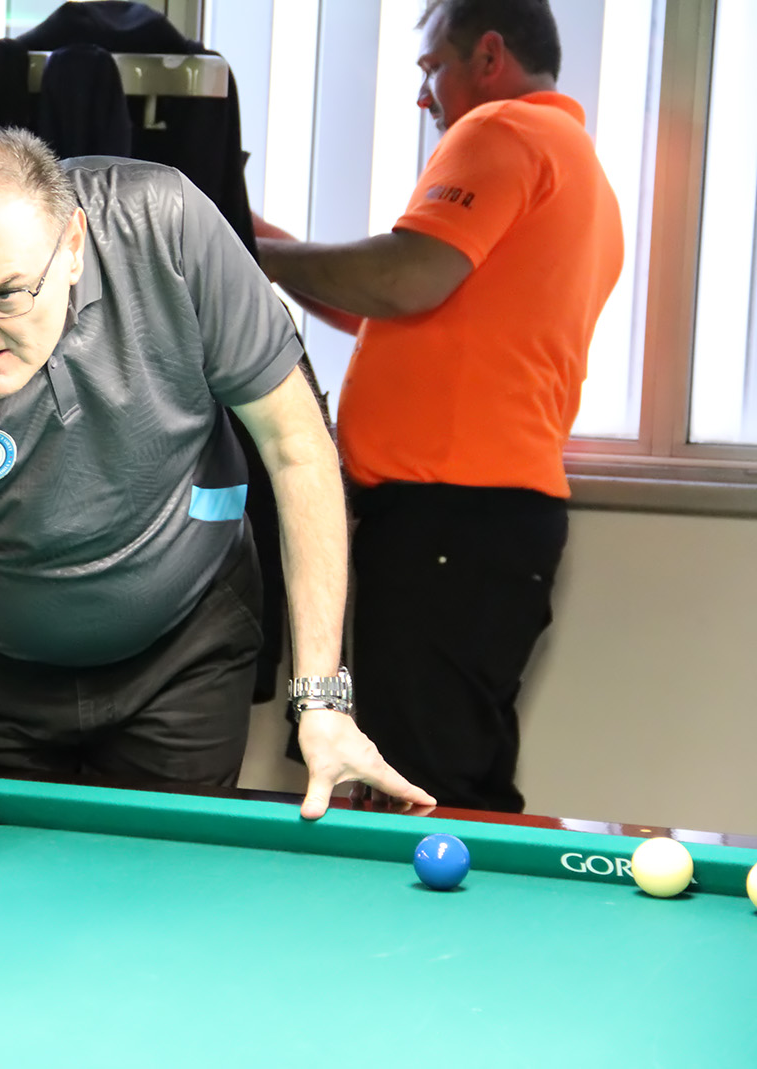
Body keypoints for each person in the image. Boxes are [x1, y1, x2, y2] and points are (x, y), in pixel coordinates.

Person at [0, 127, 432, 935]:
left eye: (4, 295)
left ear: (72, 245)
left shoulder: (167, 228)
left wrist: (322, 698)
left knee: (169, 920)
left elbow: (297, 448)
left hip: (183, 648)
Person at [253, 0, 624, 812]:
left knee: (426, 782)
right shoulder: (576, 164)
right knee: (448, 770)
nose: (424, 96)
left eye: (432, 69)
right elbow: (383, 302)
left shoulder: (505, 130)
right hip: (477, 525)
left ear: (488, 56)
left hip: (453, 523)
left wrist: (259, 253)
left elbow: (402, 277)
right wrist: (250, 237)